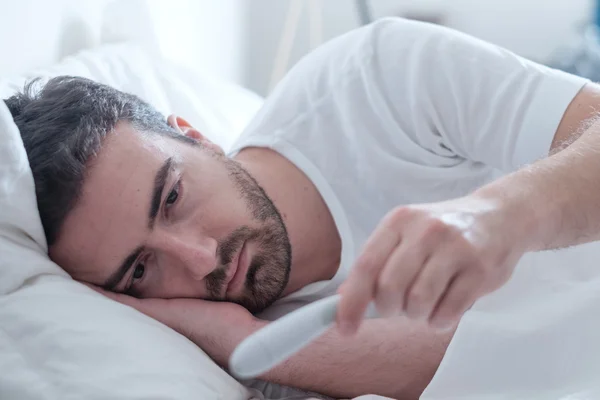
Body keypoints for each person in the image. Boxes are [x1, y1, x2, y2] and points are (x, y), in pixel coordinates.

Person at [4, 17, 600, 399]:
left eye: (174, 196)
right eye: (140, 270)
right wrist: (239, 336)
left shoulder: (375, 79)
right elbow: (482, 366)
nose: (201, 258)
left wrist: (501, 215)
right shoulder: (243, 357)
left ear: (196, 135)